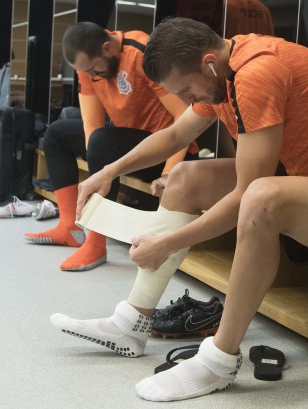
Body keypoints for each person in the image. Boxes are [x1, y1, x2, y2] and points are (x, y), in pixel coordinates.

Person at [49, 17, 308, 401]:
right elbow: (175, 135)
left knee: (261, 198)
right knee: (183, 177)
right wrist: (107, 171)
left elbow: (248, 192)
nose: (186, 100)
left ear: (208, 63)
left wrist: (167, 243)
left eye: (185, 90)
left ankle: (219, 360)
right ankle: (132, 324)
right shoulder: (222, 72)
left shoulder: (256, 73)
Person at [24, 22, 199, 272]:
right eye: (86, 72)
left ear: (107, 48)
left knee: (102, 141)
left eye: (94, 69)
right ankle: (69, 227)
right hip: (127, 148)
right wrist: (101, 170)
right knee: (56, 134)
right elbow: (92, 125)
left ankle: (95, 243)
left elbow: (185, 116)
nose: (91, 75)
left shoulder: (143, 53)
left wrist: (170, 171)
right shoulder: (87, 69)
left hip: (167, 150)